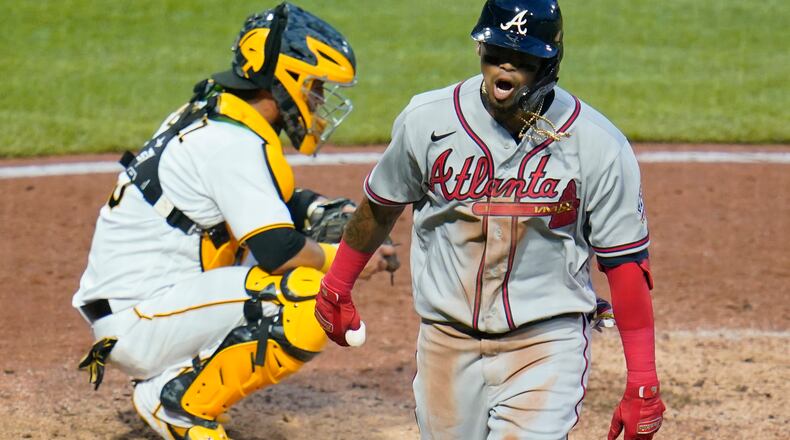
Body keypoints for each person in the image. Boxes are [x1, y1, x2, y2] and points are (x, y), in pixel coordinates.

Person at [314, 0, 665, 439]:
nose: (505, 70)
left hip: (546, 344)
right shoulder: (428, 121)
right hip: (446, 340)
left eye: (522, 60)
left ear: (548, 65)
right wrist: (337, 284)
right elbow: (382, 205)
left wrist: (643, 382)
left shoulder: (596, 144)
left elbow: (625, 262)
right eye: (496, 53)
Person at [72, 3, 394, 439]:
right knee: (306, 297)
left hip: (145, 309)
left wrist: (327, 214)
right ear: (283, 80)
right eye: (314, 86)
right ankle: (177, 404)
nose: (318, 100)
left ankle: (176, 379)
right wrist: (348, 256)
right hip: (140, 323)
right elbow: (279, 252)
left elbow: (272, 202)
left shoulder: (215, 118)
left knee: (290, 275)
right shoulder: (231, 144)